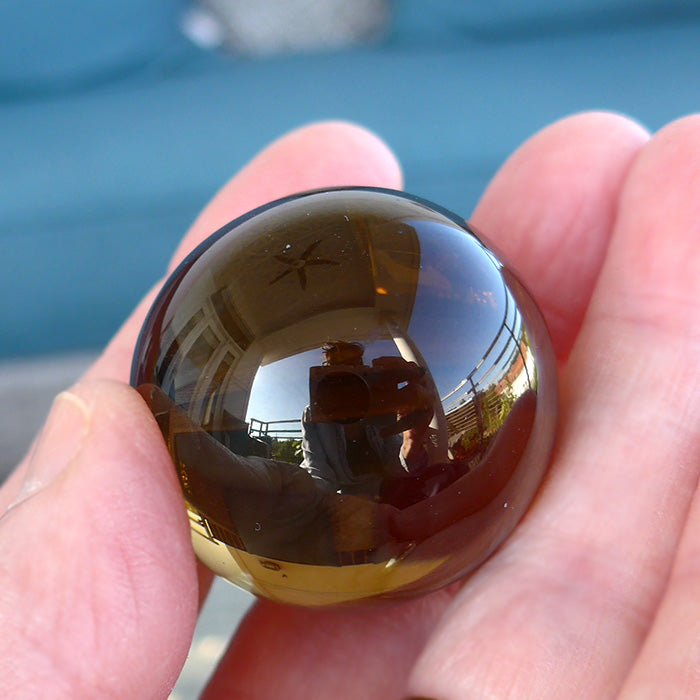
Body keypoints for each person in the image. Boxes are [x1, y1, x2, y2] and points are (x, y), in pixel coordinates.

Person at [1, 113, 699, 699]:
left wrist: (406, 410)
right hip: (332, 513)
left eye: (352, 370)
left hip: (420, 498)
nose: (342, 378)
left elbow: (426, 426)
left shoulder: (407, 385)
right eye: (335, 373)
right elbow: (308, 459)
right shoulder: (290, 427)